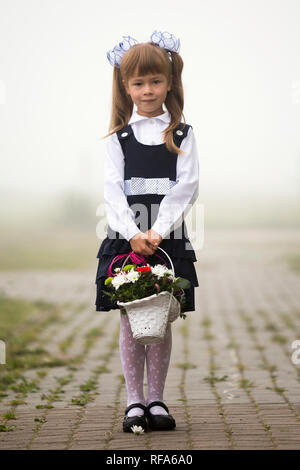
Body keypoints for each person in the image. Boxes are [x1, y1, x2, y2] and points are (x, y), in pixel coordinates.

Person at [95, 31, 199, 432]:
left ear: (169, 82)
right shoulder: (117, 139)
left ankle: (157, 399)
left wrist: (156, 231)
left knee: (160, 319)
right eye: (138, 82)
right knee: (130, 319)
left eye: (155, 81)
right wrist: (133, 233)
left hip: (167, 237)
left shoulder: (182, 134)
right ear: (126, 86)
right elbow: (112, 191)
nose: (148, 89)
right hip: (126, 237)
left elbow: (187, 187)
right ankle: (133, 401)